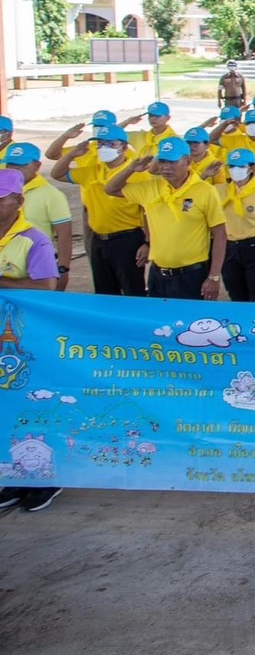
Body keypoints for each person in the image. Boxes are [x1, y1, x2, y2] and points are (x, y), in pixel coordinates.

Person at [0, 169, 64, 511]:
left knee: (35, 405)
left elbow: (46, 288)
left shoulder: (33, 240)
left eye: (0, 200)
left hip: (27, 341)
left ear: (18, 202)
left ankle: (46, 478)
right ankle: (13, 475)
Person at [105, 138, 226, 300]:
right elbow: (111, 189)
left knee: (189, 323)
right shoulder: (151, 188)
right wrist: (131, 169)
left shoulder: (205, 191)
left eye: (172, 161)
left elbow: (220, 234)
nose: (166, 167)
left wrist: (214, 277)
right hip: (158, 275)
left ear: (187, 161)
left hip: (191, 275)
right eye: (162, 161)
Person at [50, 123, 145, 295]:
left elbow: (147, 210)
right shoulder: (92, 171)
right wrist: (71, 154)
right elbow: (57, 174)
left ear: (123, 147)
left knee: (133, 290)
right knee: (104, 290)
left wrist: (148, 242)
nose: (104, 148)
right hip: (98, 239)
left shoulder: (137, 172)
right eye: (100, 144)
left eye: (110, 144)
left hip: (127, 238)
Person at [3, 142, 73, 290]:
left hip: (37, 260)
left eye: (21, 165)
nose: (14, 169)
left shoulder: (51, 194)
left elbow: (64, 234)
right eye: (10, 164)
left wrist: (63, 269)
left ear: (37, 165)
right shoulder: (4, 184)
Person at [218, 148, 255, 302]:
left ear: (251, 168)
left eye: (240, 167)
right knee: (236, 295)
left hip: (254, 247)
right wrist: (205, 175)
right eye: (231, 166)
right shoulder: (221, 191)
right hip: (230, 248)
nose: (235, 170)